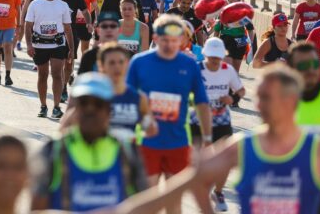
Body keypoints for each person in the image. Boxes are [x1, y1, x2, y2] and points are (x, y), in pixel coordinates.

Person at [193, 64, 320, 214]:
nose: (258, 105)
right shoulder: (243, 145)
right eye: (258, 97)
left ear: (290, 101)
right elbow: (194, 180)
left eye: (266, 97)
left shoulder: (319, 150)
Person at [126, 14, 212, 214]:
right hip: (147, 142)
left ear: (182, 40)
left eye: (174, 41)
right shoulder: (139, 62)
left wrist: (207, 139)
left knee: (175, 203)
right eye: (164, 40)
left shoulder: (189, 65)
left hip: (178, 142)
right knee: (148, 200)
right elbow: (128, 100)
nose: (169, 45)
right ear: (155, 38)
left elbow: (202, 102)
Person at [31, 72, 147, 212]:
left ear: (109, 109)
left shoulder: (128, 151)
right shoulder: (53, 150)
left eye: (98, 104)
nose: (90, 109)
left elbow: (143, 205)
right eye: (84, 103)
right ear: (75, 108)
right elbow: (36, 208)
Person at [189, 37, 245, 211]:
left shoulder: (228, 70)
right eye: (211, 57)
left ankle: (218, 191)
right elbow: (185, 93)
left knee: (226, 159)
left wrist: (232, 98)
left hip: (221, 119)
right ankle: (201, 194)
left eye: (218, 57)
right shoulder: (196, 70)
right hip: (197, 118)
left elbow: (241, 90)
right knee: (198, 160)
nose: (214, 61)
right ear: (205, 55)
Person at [288, 42, 320, 214]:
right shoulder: (281, 101)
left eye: (314, 64)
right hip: (289, 189)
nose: (310, 70)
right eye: (303, 66)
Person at [24, 0, 74, 119]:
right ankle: (43, 106)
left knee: (57, 75)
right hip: (40, 44)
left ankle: (57, 107)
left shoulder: (62, 5)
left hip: (58, 44)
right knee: (42, 75)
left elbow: (68, 28)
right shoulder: (35, 4)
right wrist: (28, 45)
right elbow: (28, 26)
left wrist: (71, 48)